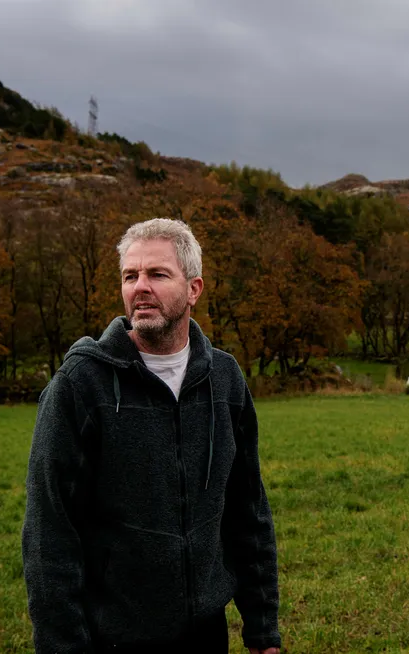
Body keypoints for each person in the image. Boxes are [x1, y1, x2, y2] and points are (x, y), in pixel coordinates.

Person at [22, 218, 280, 654]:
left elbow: (248, 510)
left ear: (194, 289)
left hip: (204, 631)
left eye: (157, 274)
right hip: (112, 634)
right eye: (130, 275)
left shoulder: (225, 379)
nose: (140, 287)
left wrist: (262, 627)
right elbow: (49, 532)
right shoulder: (81, 384)